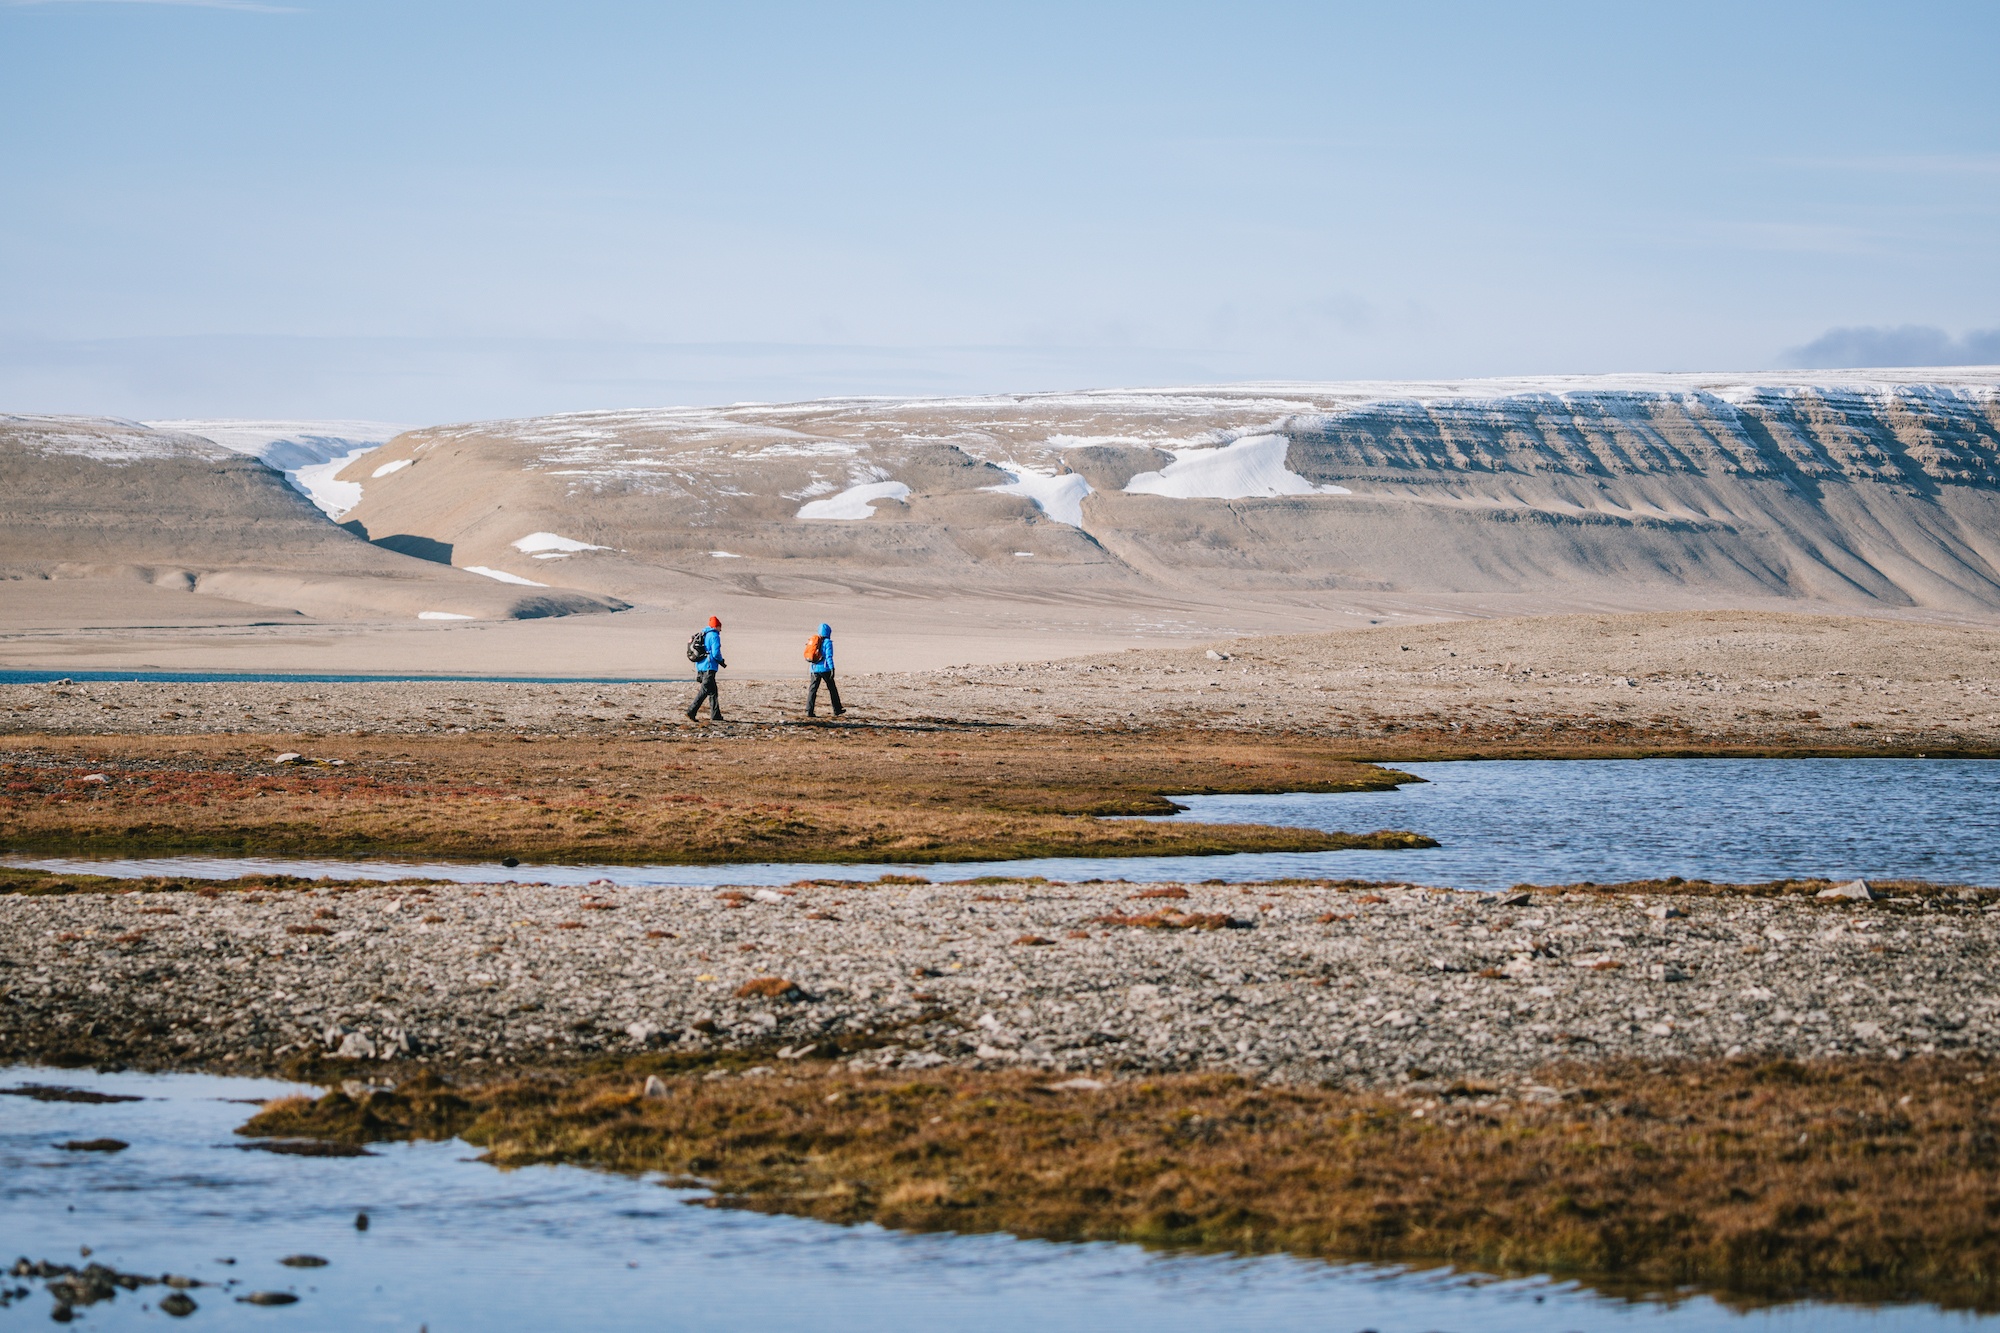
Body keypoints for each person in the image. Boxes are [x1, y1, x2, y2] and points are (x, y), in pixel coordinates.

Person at [685, 615, 725, 722]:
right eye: (720, 627)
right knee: (704, 691)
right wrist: (721, 661)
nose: (721, 629)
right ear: (716, 626)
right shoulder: (714, 636)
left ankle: (716, 715)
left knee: (713, 692)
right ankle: (691, 711)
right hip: (709, 666)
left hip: (700, 667)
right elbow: (716, 653)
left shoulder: (704, 634)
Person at [805, 621, 844, 718]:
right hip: (825, 669)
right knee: (832, 689)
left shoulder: (814, 641)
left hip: (814, 669)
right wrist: (832, 668)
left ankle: (809, 711)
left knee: (812, 690)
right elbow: (829, 657)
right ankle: (837, 709)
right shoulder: (828, 643)